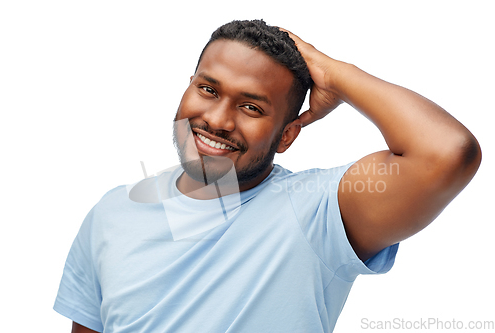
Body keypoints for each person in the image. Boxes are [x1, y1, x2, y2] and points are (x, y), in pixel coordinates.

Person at [54, 20, 481, 333]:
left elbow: (447, 153)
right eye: (208, 89)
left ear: (288, 135)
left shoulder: (318, 211)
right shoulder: (114, 210)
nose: (217, 120)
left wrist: (334, 74)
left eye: (252, 107)